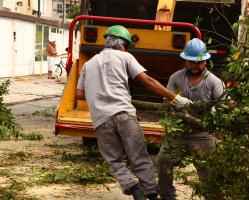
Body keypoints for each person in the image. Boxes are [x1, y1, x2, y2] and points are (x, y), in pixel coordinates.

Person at [75, 25, 192, 200]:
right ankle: (151, 192)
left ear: (107, 42)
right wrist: (174, 98)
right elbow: (148, 81)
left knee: (114, 161)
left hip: (101, 120)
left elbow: (79, 94)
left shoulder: (89, 64)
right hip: (124, 114)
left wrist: (100, 94)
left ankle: (133, 188)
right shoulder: (125, 57)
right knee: (139, 156)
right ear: (123, 45)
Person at [157, 38, 224, 200]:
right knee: (163, 160)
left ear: (205, 61)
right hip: (178, 132)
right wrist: (174, 102)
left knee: (208, 170)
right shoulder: (176, 78)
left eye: (198, 62)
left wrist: (219, 113)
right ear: (185, 61)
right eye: (191, 62)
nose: (194, 65)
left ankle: (212, 196)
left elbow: (225, 106)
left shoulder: (214, 82)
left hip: (203, 133)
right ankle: (167, 196)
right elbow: (166, 103)